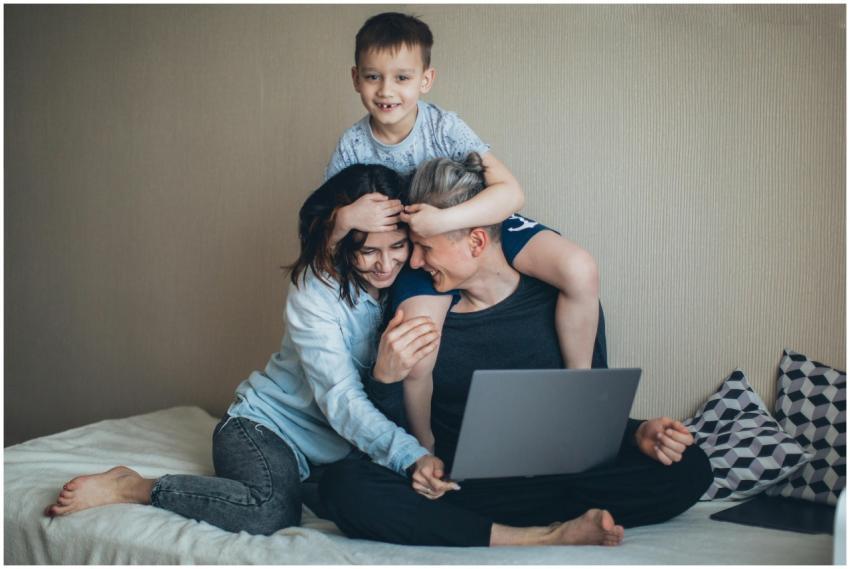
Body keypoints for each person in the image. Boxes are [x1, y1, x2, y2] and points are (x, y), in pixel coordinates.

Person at [317, 154, 714, 548]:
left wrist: (637, 434)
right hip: (463, 486)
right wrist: (384, 379)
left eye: (424, 248)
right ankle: (544, 535)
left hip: (560, 478)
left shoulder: (560, 302)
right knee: (343, 487)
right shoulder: (419, 311)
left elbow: (580, 413)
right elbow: (392, 435)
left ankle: (489, 527)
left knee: (690, 467)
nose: (413, 262)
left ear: (475, 241)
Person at [43, 164, 440, 535]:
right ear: (342, 247)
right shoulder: (315, 291)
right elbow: (342, 399)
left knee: (372, 504)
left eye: (397, 247)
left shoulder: (407, 287)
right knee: (270, 510)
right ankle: (134, 486)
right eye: (368, 251)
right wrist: (410, 454)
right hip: (264, 429)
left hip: (333, 453)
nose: (386, 264)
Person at [327, 11, 603, 454]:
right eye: (374, 77)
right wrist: (347, 217)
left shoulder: (445, 127)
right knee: (419, 344)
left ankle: (579, 390)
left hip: (471, 224)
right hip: (418, 249)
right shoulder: (352, 147)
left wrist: (444, 221)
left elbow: (511, 193)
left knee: (580, 269)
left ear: (426, 79)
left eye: (402, 77)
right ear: (356, 78)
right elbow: (326, 224)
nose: (386, 90)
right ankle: (424, 447)